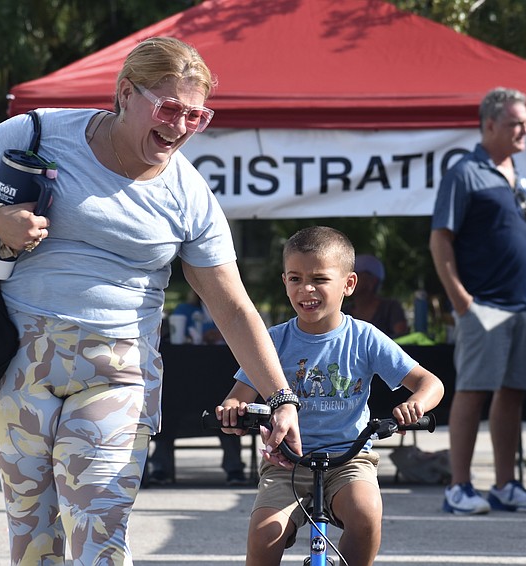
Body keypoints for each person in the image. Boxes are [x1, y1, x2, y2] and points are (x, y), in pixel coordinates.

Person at [0, 36, 301, 566]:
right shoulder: (43, 131)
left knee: (99, 533)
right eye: (169, 108)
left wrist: (281, 398)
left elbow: (233, 308)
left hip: (117, 371)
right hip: (17, 359)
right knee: (33, 537)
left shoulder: (189, 196)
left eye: (196, 116)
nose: (179, 127)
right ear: (125, 93)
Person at [215, 226, 444, 566]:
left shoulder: (364, 338)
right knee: (264, 534)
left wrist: (416, 404)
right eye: (295, 278)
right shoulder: (271, 341)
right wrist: (233, 410)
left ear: (348, 284)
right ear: (284, 282)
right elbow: (238, 396)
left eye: (320, 279)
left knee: (366, 515)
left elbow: (431, 383)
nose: (306, 289)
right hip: (286, 463)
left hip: (349, 459)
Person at [429, 87, 526, 515]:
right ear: (490, 125)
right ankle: (458, 487)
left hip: (523, 307)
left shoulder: (519, 174)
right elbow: (440, 238)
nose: (525, 129)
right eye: (517, 122)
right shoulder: (464, 173)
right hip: (484, 307)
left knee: (514, 394)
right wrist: (461, 299)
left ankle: (506, 485)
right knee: (473, 391)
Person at [146, 291, 249, 486]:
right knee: (168, 406)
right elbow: (174, 336)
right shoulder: (184, 311)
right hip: (184, 379)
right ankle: (160, 468)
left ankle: (234, 468)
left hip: (219, 377)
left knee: (228, 410)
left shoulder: (234, 312)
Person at [344, 254, 409, 338]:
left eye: (357, 275)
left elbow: (402, 339)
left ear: (372, 281)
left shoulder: (390, 308)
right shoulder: (343, 311)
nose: (349, 280)